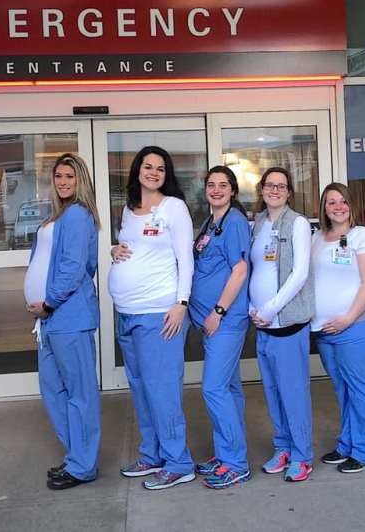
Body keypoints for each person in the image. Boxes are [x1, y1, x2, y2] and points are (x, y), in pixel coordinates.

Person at [109, 145, 195, 490]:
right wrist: (114, 249)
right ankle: (153, 453)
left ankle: (178, 462)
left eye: (160, 168)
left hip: (159, 314)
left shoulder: (173, 208)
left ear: (166, 174)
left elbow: (185, 259)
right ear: (137, 170)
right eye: (148, 166)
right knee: (141, 389)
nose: (154, 172)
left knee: (162, 390)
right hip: (127, 314)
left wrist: (181, 303)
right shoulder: (130, 210)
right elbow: (129, 247)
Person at [24, 153, 101, 490]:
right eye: (59, 176)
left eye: (70, 176)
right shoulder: (55, 215)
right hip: (49, 321)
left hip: (68, 317)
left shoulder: (78, 215)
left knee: (79, 394)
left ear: (80, 179)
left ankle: (83, 465)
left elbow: (74, 267)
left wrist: (50, 301)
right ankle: (77, 457)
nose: (63, 181)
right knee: (53, 390)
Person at [312, 183, 365, 473]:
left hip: (358, 326)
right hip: (325, 331)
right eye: (332, 202)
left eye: (343, 201)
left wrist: (348, 318)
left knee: (363, 389)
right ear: (324, 208)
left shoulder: (362, 236)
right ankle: (348, 444)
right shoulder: (317, 237)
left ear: (351, 205)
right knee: (343, 390)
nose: (338, 207)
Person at [249, 166, 315, 482]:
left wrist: (271, 308)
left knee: (293, 393)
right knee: (273, 392)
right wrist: (253, 307)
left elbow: (299, 274)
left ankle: (302, 455)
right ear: (262, 189)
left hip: (286, 323)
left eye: (282, 186)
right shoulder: (259, 223)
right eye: (270, 185)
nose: (275, 190)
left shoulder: (298, 223)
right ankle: (283, 447)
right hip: (262, 322)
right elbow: (254, 269)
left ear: (289, 192)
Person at [190, 166, 252, 488]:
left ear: (233, 190)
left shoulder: (236, 223)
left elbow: (240, 271)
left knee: (212, 388)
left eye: (222, 185)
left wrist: (217, 311)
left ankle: (236, 462)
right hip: (209, 322)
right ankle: (225, 451)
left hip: (224, 321)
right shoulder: (210, 222)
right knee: (229, 388)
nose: (216, 190)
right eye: (211, 185)